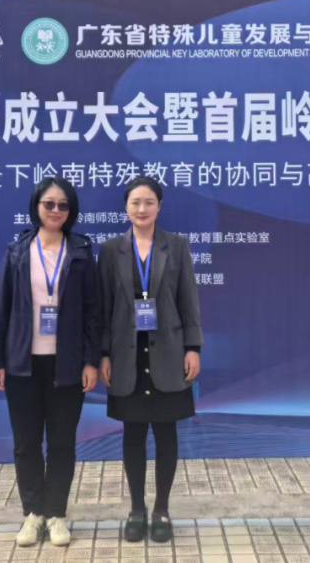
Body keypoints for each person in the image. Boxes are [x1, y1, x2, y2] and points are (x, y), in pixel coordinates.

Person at [0, 177, 101, 547]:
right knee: (27, 444)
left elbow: (93, 312)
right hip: (23, 364)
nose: (55, 210)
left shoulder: (80, 251)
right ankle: (33, 514)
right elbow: (1, 308)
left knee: (62, 443)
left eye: (63, 205)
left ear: (71, 211)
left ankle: (56, 515)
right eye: (49, 203)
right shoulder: (18, 251)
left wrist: (91, 361)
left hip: (67, 365)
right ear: (36, 206)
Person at [98, 176, 203, 543]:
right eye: (135, 202)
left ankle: (161, 509)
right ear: (126, 207)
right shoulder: (110, 251)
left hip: (169, 355)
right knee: (133, 435)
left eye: (149, 202)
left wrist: (193, 347)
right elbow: (103, 307)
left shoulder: (176, 246)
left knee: (166, 434)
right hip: (125, 357)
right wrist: (103, 354)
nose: (141, 209)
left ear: (159, 206)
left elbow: (188, 300)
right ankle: (136, 510)